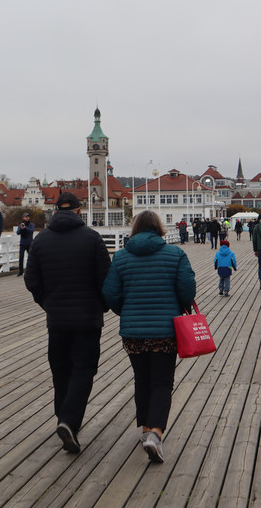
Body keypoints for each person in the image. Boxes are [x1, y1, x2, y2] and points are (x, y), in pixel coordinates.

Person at [102, 210, 196, 464]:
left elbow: (110, 294)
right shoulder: (175, 254)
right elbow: (187, 290)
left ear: (134, 229)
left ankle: (145, 430)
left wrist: (126, 310)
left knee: (142, 379)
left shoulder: (120, 257)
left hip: (133, 331)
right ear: (159, 228)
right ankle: (155, 432)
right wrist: (179, 305)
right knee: (162, 382)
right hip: (166, 330)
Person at [24, 192, 111, 454]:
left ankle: (63, 416)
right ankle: (68, 421)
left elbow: (31, 280)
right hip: (87, 319)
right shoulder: (92, 238)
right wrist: (102, 305)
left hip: (57, 320)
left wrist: (47, 303)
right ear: (78, 210)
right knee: (83, 370)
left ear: (55, 211)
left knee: (60, 369)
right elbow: (105, 279)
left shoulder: (41, 240)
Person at [16, 212, 35, 277]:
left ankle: (31, 270)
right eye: (25, 217)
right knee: (21, 258)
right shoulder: (21, 225)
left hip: (29, 243)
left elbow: (31, 231)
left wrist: (25, 228)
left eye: (28, 217)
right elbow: (18, 233)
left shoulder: (32, 224)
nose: (27, 218)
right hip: (22, 244)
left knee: (31, 258)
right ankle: (20, 271)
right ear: (23, 217)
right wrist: (21, 229)